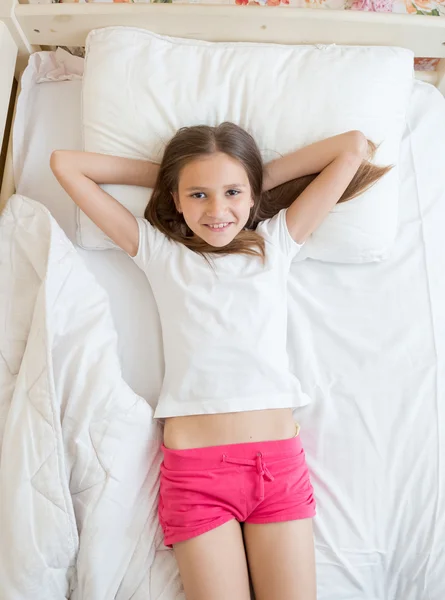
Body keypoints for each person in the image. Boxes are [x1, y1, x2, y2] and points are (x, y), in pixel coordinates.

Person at [51, 123, 390, 600]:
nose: (216, 210)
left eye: (232, 192)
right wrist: (175, 177)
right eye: (198, 195)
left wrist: (246, 177)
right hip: (196, 477)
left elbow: (352, 147)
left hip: (275, 469)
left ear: (252, 195)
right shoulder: (159, 252)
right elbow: (66, 164)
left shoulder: (277, 243)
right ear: (176, 198)